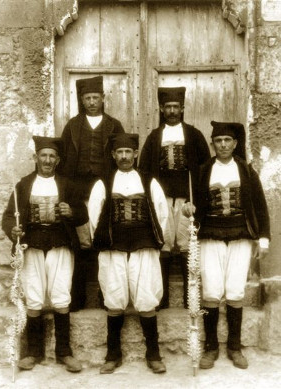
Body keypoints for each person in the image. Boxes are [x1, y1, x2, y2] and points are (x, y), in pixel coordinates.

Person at [183, 121, 270, 369]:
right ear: (212, 144)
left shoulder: (247, 171)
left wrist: (263, 238)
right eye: (218, 141)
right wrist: (189, 210)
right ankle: (210, 347)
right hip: (210, 235)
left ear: (235, 144)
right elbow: (194, 207)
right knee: (210, 291)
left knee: (235, 291)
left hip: (241, 235)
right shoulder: (202, 171)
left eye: (227, 141)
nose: (222, 145)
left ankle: (234, 346)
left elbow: (260, 207)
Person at [2, 136, 88, 373]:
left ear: (58, 160)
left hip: (60, 242)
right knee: (34, 297)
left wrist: (70, 211)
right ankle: (34, 353)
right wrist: (14, 229)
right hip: (33, 243)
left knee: (61, 295)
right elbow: (9, 216)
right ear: (35, 158)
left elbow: (83, 214)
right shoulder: (23, 185)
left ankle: (64, 353)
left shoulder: (67, 185)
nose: (47, 160)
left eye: (52, 156)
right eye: (43, 155)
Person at [88, 133, 169, 374]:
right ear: (113, 155)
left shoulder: (148, 181)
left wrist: (157, 241)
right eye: (119, 152)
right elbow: (95, 215)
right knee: (114, 300)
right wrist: (104, 240)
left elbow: (162, 212)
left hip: (144, 245)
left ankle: (153, 354)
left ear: (135, 154)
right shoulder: (103, 182)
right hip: (113, 247)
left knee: (146, 299)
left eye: (128, 152)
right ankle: (113, 354)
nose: (124, 157)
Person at [139, 87, 210, 309]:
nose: (171, 111)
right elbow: (144, 169)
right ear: (161, 108)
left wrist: (197, 197)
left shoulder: (193, 135)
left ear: (182, 108)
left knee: (187, 243)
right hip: (161, 198)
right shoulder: (154, 137)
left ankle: (191, 297)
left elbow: (205, 166)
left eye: (175, 107)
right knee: (164, 244)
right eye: (167, 107)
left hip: (187, 198)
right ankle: (163, 296)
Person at [60, 75, 125, 311]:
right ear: (81, 99)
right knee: (79, 242)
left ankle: (104, 296)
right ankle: (77, 297)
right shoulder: (73, 126)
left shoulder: (113, 125)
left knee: (103, 239)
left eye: (95, 97)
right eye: (87, 98)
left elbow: (122, 155)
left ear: (103, 98)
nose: (91, 102)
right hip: (77, 190)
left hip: (104, 188)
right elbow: (64, 158)